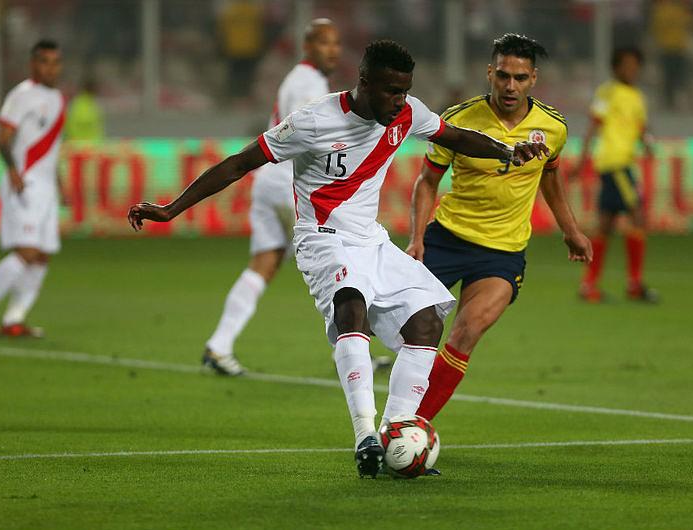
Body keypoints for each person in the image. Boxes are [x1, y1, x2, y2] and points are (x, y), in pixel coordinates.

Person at [128, 40, 548, 477]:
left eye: (404, 92)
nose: (398, 102)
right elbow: (239, 163)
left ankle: (396, 430)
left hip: (371, 239)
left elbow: (454, 136)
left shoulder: (407, 113)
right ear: (363, 82)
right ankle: (365, 435)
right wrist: (171, 208)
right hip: (321, 237)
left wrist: (505, 150)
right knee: (352, 305)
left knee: (427, 320)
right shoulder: (313, 121)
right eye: (389, 91)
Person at [407, 33, 592, 421]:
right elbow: (427, 180)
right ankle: (399, 398)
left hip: (502, 253)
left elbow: (551, 177)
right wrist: (417, 237)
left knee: (466, 332)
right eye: (503, 76)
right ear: (489, 73)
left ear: (533, 79)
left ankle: (413, 425)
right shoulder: (458, 120)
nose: (511, 86)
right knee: (410, 332)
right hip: (446, 239)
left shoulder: (553, 127)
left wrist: (570, 229)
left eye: (520, 78)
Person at [202, 19, 342, 376]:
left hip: (268, 181)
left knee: (264, 264)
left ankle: (218, 345)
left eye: (336, 43)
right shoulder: (308, 83)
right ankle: (349, 351)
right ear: (308, 45)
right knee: (335, 265)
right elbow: (312, 137)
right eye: (325, 43)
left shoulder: (298, 79)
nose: (333, 50)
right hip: (286, 185)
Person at [0, 40, 65, 338]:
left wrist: (60, 184)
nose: (51, 68)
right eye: (45, 61)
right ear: (33, 64)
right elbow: (3, 137)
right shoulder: (21, 95)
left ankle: (14, 318)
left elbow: (52, 149)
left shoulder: (59, 98)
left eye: (55, 62)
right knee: (27, 251)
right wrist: (12, 170)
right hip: (25, 183)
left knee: (43, 255)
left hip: (46, 187)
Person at [575, 47, 657, 304]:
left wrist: (647, 142)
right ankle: (634, 284)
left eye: (636, 65)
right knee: (637, 217)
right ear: (616, 67)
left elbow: (641, 127)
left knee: (605, 225)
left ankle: (589, 286)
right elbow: (593, 126)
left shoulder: (638, 97)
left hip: (622, 164)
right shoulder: (607, 92)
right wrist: (581, 159)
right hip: (616, 163)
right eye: (627, 65)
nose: (632, 70)